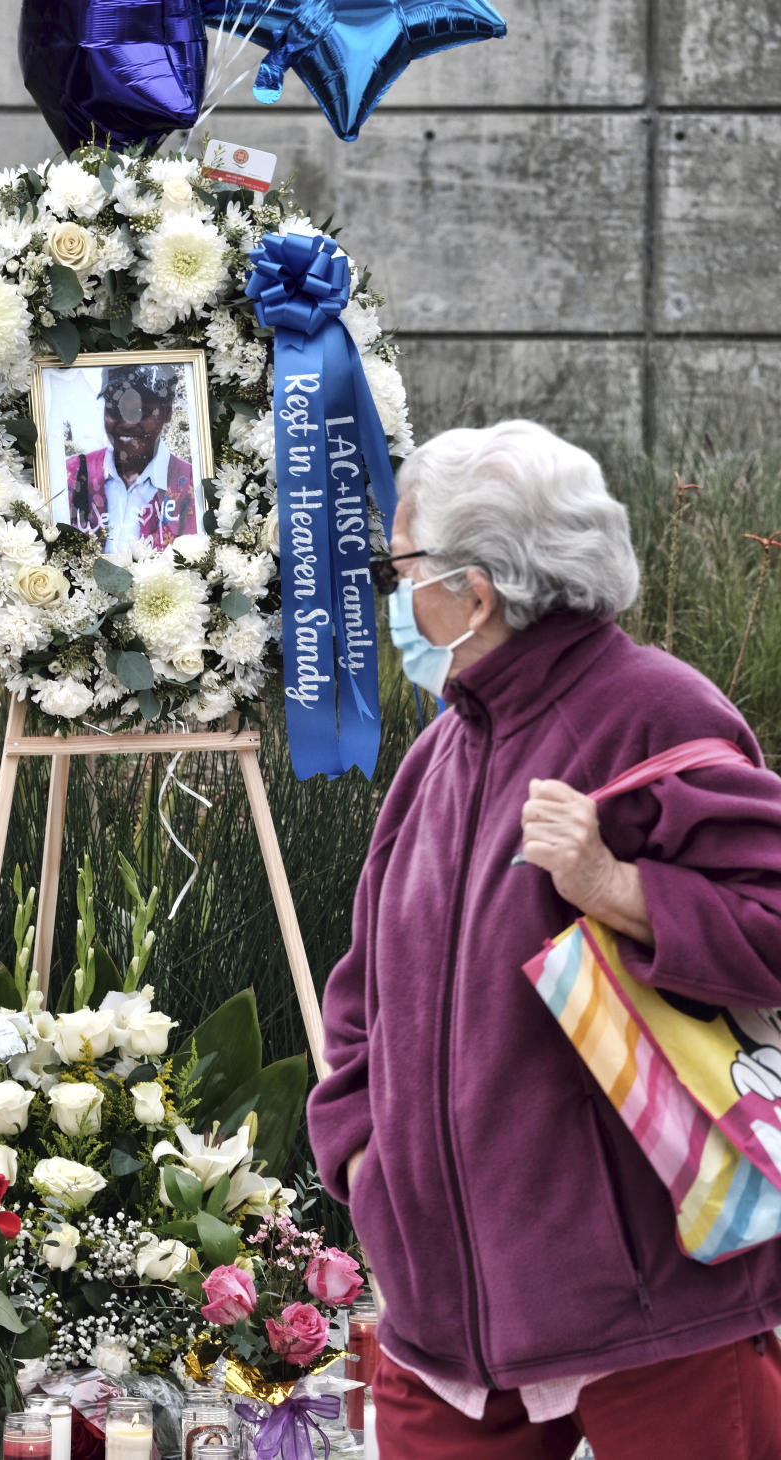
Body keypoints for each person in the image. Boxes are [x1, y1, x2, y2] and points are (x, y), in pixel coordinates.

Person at [306, 420, 781, 1460]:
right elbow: (364, 990)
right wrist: (363, 1157)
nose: (397, 594)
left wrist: (614, 886)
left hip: (653, 1316)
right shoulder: (441, 747)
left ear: (474, 591)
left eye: (403, 567)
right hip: (447, 1317)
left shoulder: (656, 709)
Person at [67, 363, 197, 551]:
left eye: (142, 410)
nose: (127, 423)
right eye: (115, 408)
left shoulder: (191, 484)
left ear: (167, 412)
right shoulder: (71, 475)